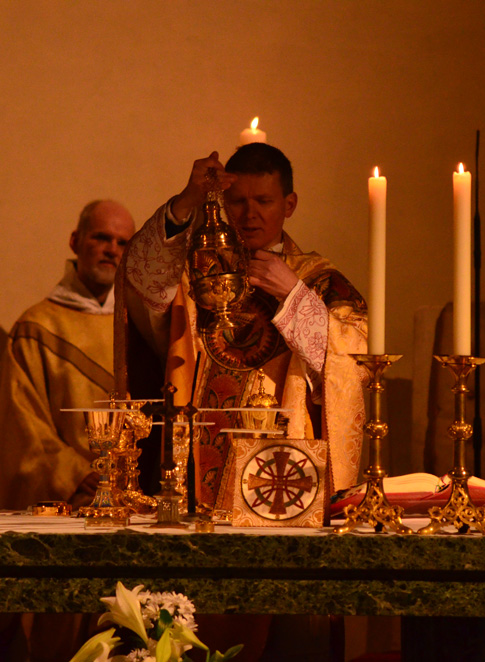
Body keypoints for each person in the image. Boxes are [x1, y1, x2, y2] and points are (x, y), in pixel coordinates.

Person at [119, 143, 369, 511]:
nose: (250, 215)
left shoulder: (318, 281)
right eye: (237, 202)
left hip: (283, 462)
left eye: (264, 201)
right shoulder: (197, 271)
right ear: (222, 202)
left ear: (289, 205)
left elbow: (356, 362)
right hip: (197, 453)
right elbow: (142, 277)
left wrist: (294, 295)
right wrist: (186, 202)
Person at [0, 199, 136, 511]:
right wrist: (73, 473)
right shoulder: (37, 327)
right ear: (75, 241)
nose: (112, 250)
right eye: (101, 238)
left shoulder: (139, 324)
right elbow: (22, 423)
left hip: (134, 493)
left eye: (123, 243)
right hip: (73, 495)